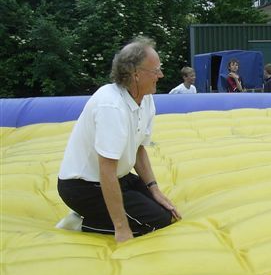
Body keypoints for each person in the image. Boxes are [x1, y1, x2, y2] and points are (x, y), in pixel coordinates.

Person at [57, 37, 181, 243]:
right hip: (84, 187)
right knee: (156, 221)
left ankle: (97, 216)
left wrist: (154, 189)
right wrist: (121, 227)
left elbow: (139, 149)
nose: (161, 75)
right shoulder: (111, 106)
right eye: (156, 70)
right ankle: (82, 224)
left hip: (119, 176)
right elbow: (106, 168)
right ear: (136, 74)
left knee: (167, 211)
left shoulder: (146, 99)